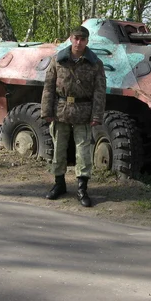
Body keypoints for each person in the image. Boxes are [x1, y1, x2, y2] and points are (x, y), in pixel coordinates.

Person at [41, 25, 106, 207]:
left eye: (82, 39)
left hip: (84, 111)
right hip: (60, 109)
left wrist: (97, 116)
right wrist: (46, 112)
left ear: (87, 41)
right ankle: (59, 184)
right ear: (70, 38)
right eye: (76, 38)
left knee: (83, 152)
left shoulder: (95, 63)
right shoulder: (58, 60)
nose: (79, 42)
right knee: (59, 149)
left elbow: (100, 92)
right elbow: (49, 87)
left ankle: (82, 188)